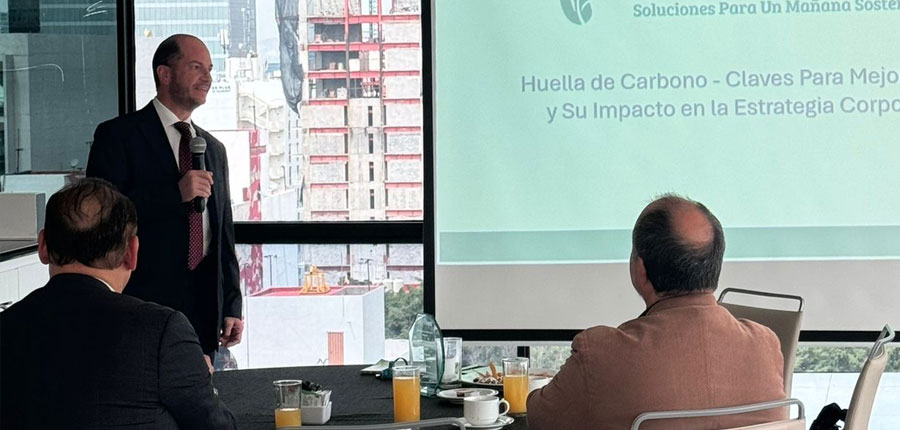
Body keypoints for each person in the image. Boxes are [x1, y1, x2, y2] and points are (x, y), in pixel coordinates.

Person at [527, 194, 786, 430]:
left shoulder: (601, 355)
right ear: (715, 267)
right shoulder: (766, 345)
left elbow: (540, 419)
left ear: (640, 270)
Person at [0, 178, 236, 429]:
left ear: (43, 246)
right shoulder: (162, 331)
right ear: (131, 252)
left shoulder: (6, 327)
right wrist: (200, 380)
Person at [86, 34, 242, 359]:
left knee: (201, 388)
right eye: (196, 67)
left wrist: (231, 304)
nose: (207, 78)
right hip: (141, 302)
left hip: (203, 308)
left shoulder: (213, 149)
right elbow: (102, 217)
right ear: (165, 73)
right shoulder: (118, 136)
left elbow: (223, 235)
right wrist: (174, 194)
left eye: (210, 69)